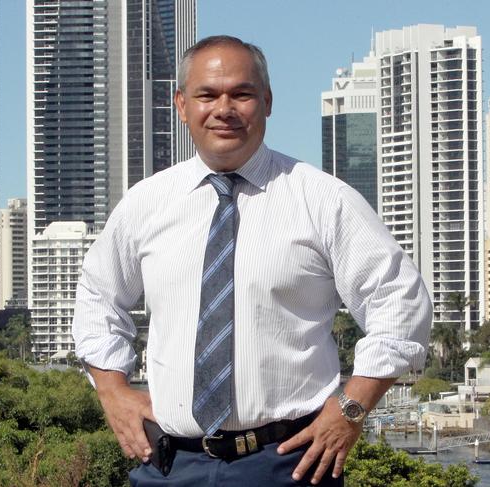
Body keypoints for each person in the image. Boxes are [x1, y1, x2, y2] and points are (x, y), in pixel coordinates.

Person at [72, 35, 432, 486]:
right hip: (168, 465)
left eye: (241, 93)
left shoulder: (323, 200)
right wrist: (113, 391)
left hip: (288, 464)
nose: (224, 108)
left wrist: (352, 408)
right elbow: (97, 297)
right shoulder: (146, 204)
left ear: (266, 102)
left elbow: (401, 303)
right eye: (207, 94)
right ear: (182, 105)